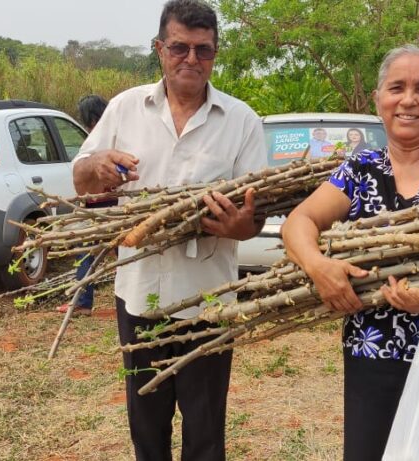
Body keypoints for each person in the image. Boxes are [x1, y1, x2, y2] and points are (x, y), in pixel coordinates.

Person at [281, 45, 419, 461]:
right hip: (375, 350)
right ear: (378, 99)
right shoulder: (359, 169)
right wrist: (317, 266)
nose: (408, 100)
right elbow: (299, 221)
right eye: (396, 88)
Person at [71, 1, 267, 460]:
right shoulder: (124, 108)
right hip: (139, 295)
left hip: (208, 302)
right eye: (179, 48)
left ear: (216, 53)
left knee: (204, 433)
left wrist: (241, 226)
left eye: (204, 50)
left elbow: (256, 215)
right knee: (146, 426)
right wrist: (95, 165)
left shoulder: (241, 121)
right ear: (159, 49)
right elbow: (79, 180)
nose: (191, 60)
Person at [56, 94, 110, 316]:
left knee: (86, 253)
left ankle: (82, 303)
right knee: (119, 252)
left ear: (91, 119)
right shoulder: (118, 132)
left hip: (102, 206)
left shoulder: (98, 138)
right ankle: (83, 302)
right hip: (112, 205)